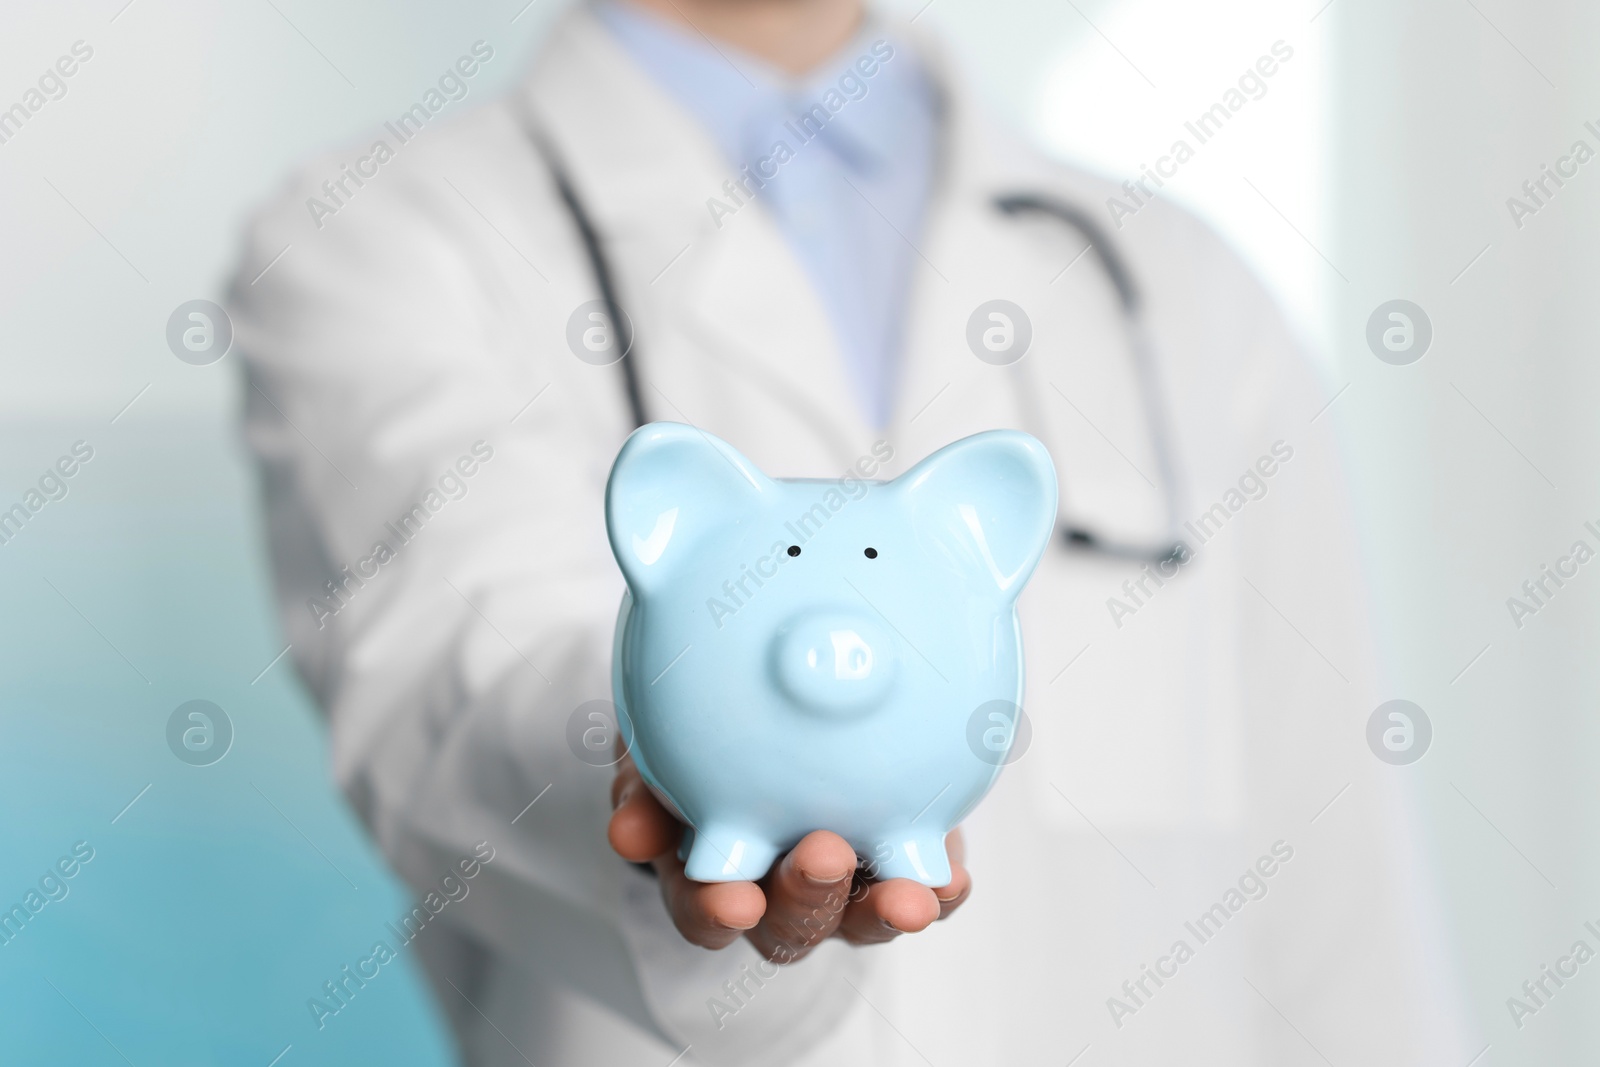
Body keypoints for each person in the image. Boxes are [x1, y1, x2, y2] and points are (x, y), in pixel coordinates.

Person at [228, 0, 1472, 1063]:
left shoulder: (1183, 293)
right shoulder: (373, 239)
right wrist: (661, 750)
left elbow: (1338, 914)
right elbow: (458, 678)